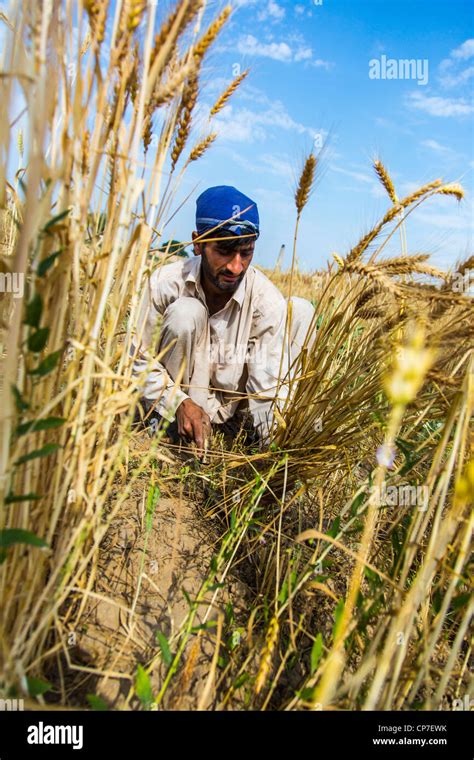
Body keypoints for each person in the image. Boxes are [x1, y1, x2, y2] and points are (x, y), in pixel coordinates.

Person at [131, 185, 315, 454]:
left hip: (231, 408)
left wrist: (275, 455)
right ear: (197, 243)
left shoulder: (265, 301)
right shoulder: (164, 284)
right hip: (176, 403)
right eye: (224, 251)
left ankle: (245, 431)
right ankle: (168, 425)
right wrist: (177, 402)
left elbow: (267, 382)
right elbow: (137, 360)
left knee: (300, 310)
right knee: (185, 312)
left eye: (246, 252)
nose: (235, 267)